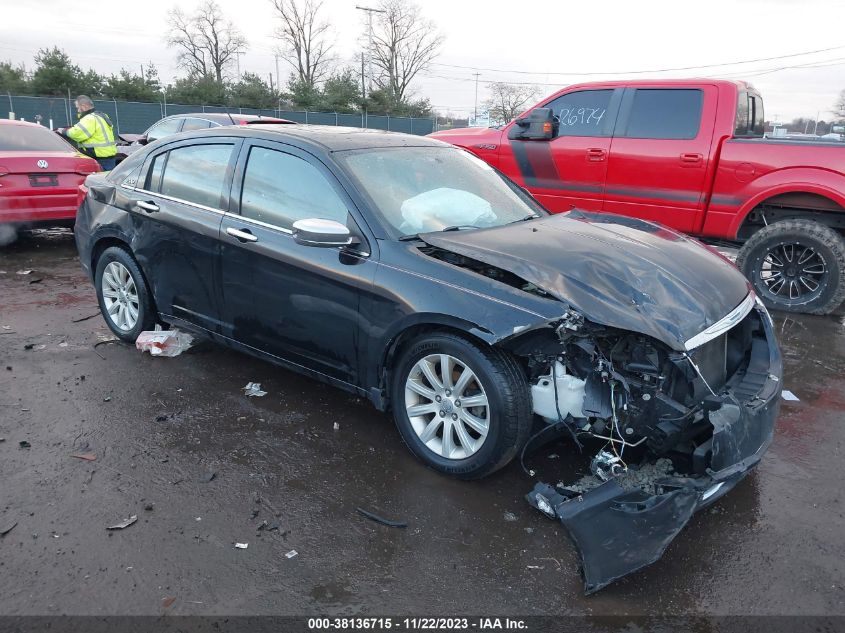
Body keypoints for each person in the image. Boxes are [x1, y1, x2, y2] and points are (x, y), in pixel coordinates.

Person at [58, 95, 118, 171]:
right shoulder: (102, 115)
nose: (78, 111)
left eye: (78, 108)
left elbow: (76, 134)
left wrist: (63, 131)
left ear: (83, 106)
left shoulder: (89, 118)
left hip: (100, 158)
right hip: (109, 156)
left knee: (97, 181)